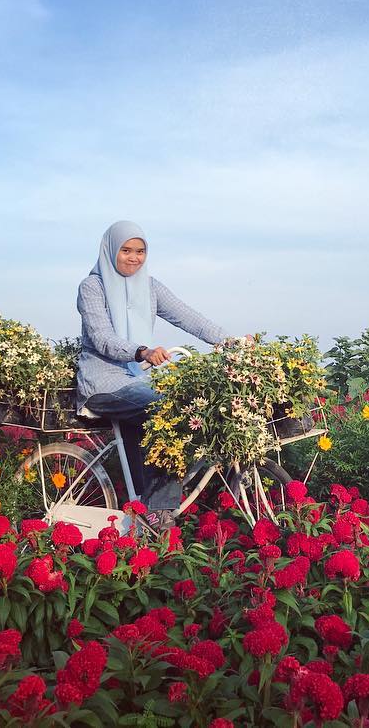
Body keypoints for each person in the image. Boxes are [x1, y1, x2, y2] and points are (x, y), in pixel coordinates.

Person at [75, 220, 231, 521]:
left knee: (186, 406)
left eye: (140, 251)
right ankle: (158, 512)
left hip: (137, 381)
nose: (134, 258)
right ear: (110, 250)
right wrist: (141, 351)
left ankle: (145, 506)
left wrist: (230, 341)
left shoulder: (149, 287)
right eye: (126, 250)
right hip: (104, 384)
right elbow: (102, 338)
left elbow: (189, 317)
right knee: (167, 407)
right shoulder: (92, 287)